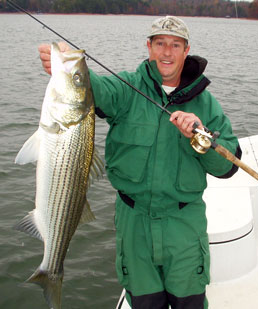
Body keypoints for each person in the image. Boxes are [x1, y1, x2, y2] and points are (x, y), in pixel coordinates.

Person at [39, 16, 241, 309]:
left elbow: (229, 166)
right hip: (133, 227)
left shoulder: (207, 105)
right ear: (149, 47)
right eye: (160, 43)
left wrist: (202, 136)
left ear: (186, 51)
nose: (167, 52)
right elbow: (93, 88)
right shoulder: (126, 88)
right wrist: (67, 66)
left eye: (175, 45)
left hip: (183, 226)